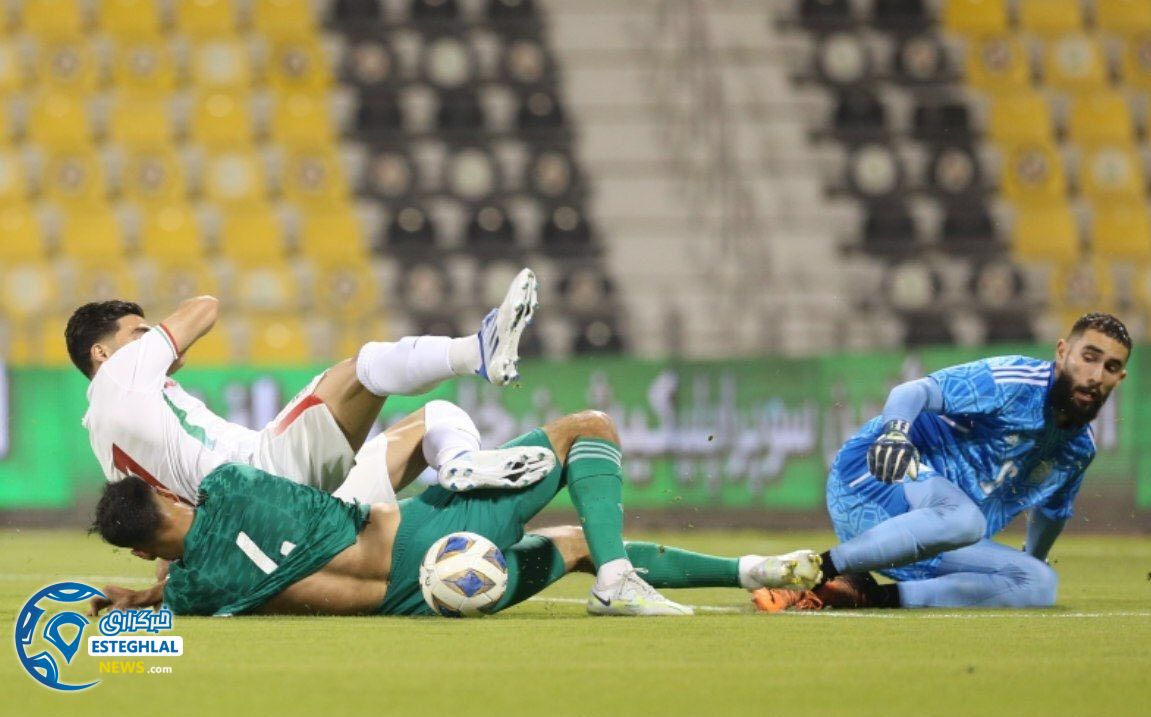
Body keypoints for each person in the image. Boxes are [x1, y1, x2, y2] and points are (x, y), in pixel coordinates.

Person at [91, 411, 824, 618]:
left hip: (421, 601)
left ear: (136, 550)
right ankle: (621, 578)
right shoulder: (236, 485)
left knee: (570, 543)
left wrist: (141, 594)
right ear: (169, 495)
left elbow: (172, 581)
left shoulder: (192, 593)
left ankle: (751, 570)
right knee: (586, 431)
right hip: (428, 538)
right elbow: (328, 467)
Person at [65, 268, 545, 505]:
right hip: (266, 471)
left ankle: (459, 467)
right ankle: (478, 352)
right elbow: (204, 308)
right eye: (136, 333)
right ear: (101, 354)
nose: (148, 340)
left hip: (279, 516)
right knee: (368, 366)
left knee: (442, 418)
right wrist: (162, 338)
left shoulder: (103, 438)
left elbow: (164, 518)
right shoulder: (120, 374)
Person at [753, 313, 1131, 612]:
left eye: (1111, 367)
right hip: (879, 476)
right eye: (1089, 357)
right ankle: (812, 569)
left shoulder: (1078, 449)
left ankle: (866, 596)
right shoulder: (1015, 381)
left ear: (1120, 378)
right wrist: (896, 434)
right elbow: (912, 391)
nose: (1096, 376)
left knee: (1038, 582)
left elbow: (1052, 513)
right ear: (1063, 352)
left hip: (932, 535)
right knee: (965, 519)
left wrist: (1028, 563)